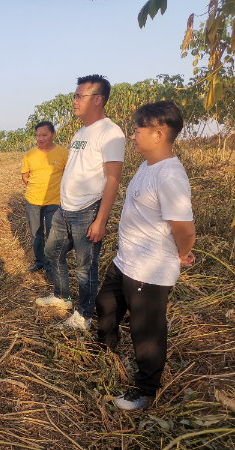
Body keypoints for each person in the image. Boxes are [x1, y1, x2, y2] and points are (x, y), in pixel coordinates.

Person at [96, 101, 195, 411]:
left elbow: (185, 228)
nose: (133, 135)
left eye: (138, 130)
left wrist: (182, 254)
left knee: (147, 333)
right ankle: (106, 353)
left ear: (158, 133)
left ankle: (145, 390)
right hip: (126, 261)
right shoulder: (147, 165)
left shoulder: (169, 176)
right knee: (106, 304)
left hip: (149, 271)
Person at [36, 75, 126, 330]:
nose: (73, 101)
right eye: (75, 96)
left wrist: (101, 220)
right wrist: (62, 207)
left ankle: (84, 316)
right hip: (66, 210)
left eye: (79, 96)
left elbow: (113, 179)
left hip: (88, 210)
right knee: (53, 252)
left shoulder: (111, 133)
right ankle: (62, 296)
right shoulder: (81, 131)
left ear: (97, 99)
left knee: (86, 267)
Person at [21, 121, 68, 278]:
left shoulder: (63, 153)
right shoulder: (29, 155)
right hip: (33, 201)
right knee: (36, 233)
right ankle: (39, 262)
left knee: (52, 234)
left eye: (44, 135)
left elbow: (68, 174)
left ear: (53, 135)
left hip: (54, 201)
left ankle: (50, 266)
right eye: (37, 135)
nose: (40, 138)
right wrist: (37, 187)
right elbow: (25, 176)